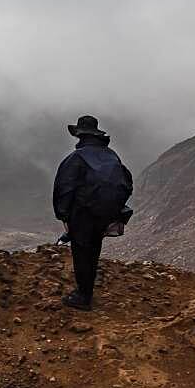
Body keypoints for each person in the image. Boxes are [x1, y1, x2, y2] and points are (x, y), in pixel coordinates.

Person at [52, 115, 133, 311]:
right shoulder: (112, 155)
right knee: (94, 250)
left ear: (79, 135)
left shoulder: (76, 158)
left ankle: (83, 296)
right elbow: (126, 183)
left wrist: (64, 216)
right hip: (106, 214)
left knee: (81, 252)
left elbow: (64, 188)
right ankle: (87, 290)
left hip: (82, 214)